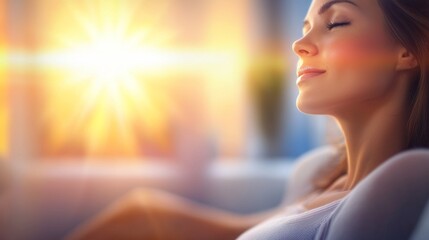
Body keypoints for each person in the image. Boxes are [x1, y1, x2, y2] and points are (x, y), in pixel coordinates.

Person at [66, 0, 429, 239]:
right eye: (304, 26)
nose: (299, 44)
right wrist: (147, 215)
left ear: (408, 52)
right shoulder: (319, 173)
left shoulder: (409, 176)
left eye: (335, 23)